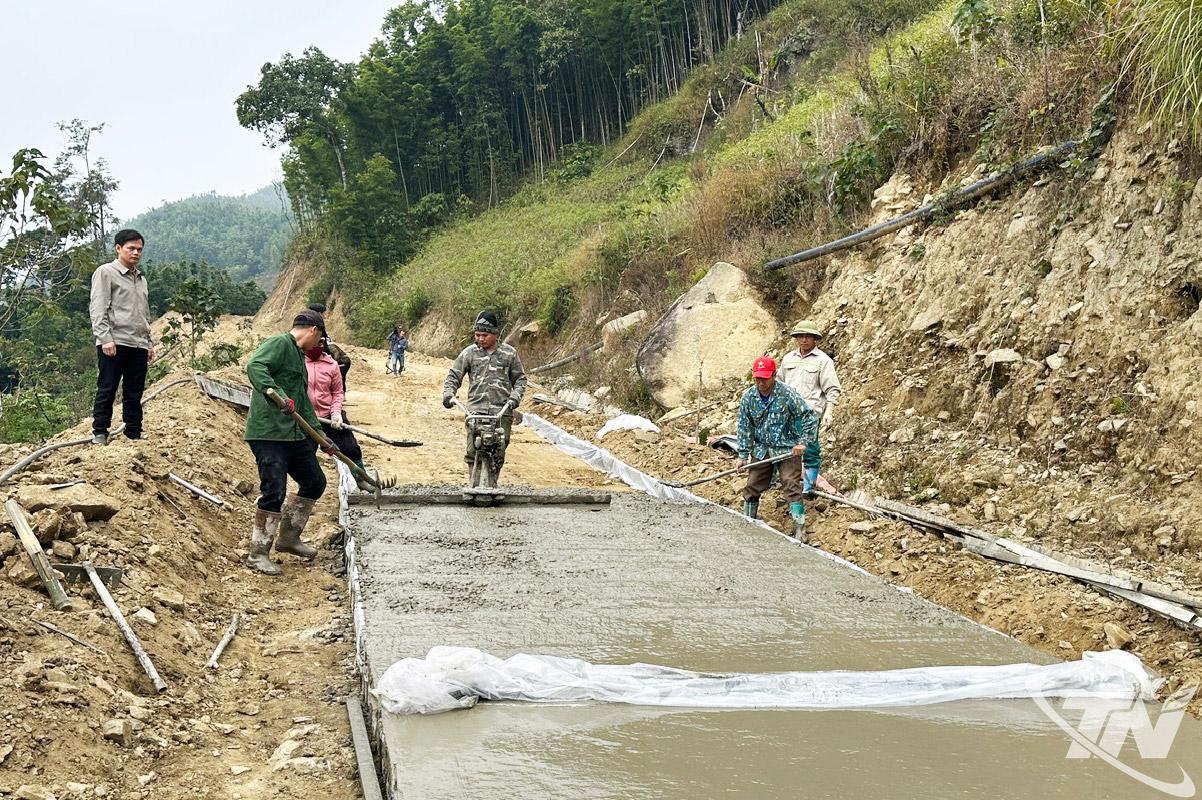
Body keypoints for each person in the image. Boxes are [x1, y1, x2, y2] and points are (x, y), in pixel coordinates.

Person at [243, 310, 328, 575]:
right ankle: (258, 554)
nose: (319, 345)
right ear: (313, 330)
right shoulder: (280, 343)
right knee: (274, 490)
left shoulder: (298, 357)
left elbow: (302, 402)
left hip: (293, 433)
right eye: (320, 338)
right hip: (269, 433)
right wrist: (276, 394)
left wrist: (320, 436)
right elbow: (255, 366)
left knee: (315, 481)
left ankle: (288, 539)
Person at [736, 355, 819, 542]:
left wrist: (803, 442)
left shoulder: (787, 394)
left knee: (790, 483)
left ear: (774, 375)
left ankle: (799, 528)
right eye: (757, 378)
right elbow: (744, 427)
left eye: (765, 378)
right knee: (752, 485)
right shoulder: (748, 397)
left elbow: (809, 416)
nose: (761, 382)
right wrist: (742, 454)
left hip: (787, 448)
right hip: (762, 449)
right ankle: (748, 521)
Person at [442, 311, 527, 483]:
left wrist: (514, 398)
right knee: (473, 450)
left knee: (499, 449)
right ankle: (472, 483)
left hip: (501, 411)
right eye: (477, 335)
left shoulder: (509, 354)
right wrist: (449, 393)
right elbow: (454, 375)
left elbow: (520, 379)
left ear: (495, 334)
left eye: (485, 335)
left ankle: (493, 481)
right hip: (475, 411)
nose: (480, 339)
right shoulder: (469, 353)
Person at [89, 229, 155, 445]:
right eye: (131, 248)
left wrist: (149, 343)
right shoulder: (106, 272)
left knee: (134, 391)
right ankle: (100, 431)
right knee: (108, 387)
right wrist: (105, 337)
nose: (136, 253)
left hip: (137, 343)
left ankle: (134, 432)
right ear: (118, 248)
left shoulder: (141, 278)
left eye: (139, 249)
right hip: (114, 341)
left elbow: (144, 313)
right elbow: (98, 307)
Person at [303, 334, 373, 491]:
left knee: (351, 448)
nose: (317, 346)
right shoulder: (298, 363)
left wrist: (336, 413)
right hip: (306, 419)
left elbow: (337, 392)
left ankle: (361, 478)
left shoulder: (332, 365)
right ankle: (305, 494)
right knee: (304, 459)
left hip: (329, 415)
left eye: (321, 343)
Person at [778, 319, 841, 492]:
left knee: (810, 449)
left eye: (808, 337)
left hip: (810, 413)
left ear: (815, 339)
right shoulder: (788, 359)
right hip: (789, 413)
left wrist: (829, 411)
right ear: (796, 338)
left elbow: (832, 388)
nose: (804, 340)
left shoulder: (823, 361)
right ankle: (789, 484)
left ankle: (808, 488)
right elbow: (779, 384)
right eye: (801, 336)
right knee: (787, 448)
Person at [307, 303, 352, 391]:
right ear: (318, 313)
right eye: (322, 313)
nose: (323, 315)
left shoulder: (314, 324)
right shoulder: (316, 324)